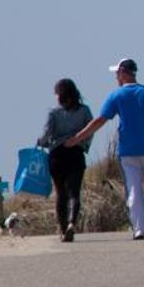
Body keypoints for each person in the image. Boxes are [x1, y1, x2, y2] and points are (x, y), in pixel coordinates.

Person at [65, 58, 144, 240]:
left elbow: (100, 120)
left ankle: (139, 229)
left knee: (134, 190)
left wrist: (77, 138)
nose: (116, 76)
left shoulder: (116, 95)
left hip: (128, 152)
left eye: (117, 73)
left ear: (123, 73)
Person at [38, 78, 94, 242]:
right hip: (76, 154)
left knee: (61, 194)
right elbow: (90, 130)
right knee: (74, 192)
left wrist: (41, 143)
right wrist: (83, 145)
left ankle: (63, 231)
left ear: (60, 94)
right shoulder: (84, 111)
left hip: (57, 156)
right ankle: (71, 223)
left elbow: (47, 135)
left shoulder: (54, 113)